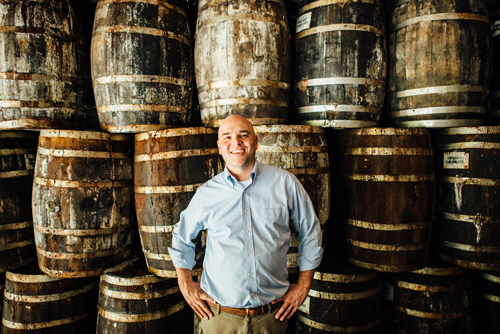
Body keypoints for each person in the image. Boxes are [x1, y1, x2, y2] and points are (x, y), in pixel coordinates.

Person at [168, 115, 323, 334]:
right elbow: (181, 238)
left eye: (243, 135)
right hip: (219, 318)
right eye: (227, 137)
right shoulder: (206, 194)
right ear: (220, 147)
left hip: (271, 318)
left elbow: (311, 232)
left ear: (256, 142)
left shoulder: (285, 183)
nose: (236, 142)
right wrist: (184, 282)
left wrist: (304, 283)